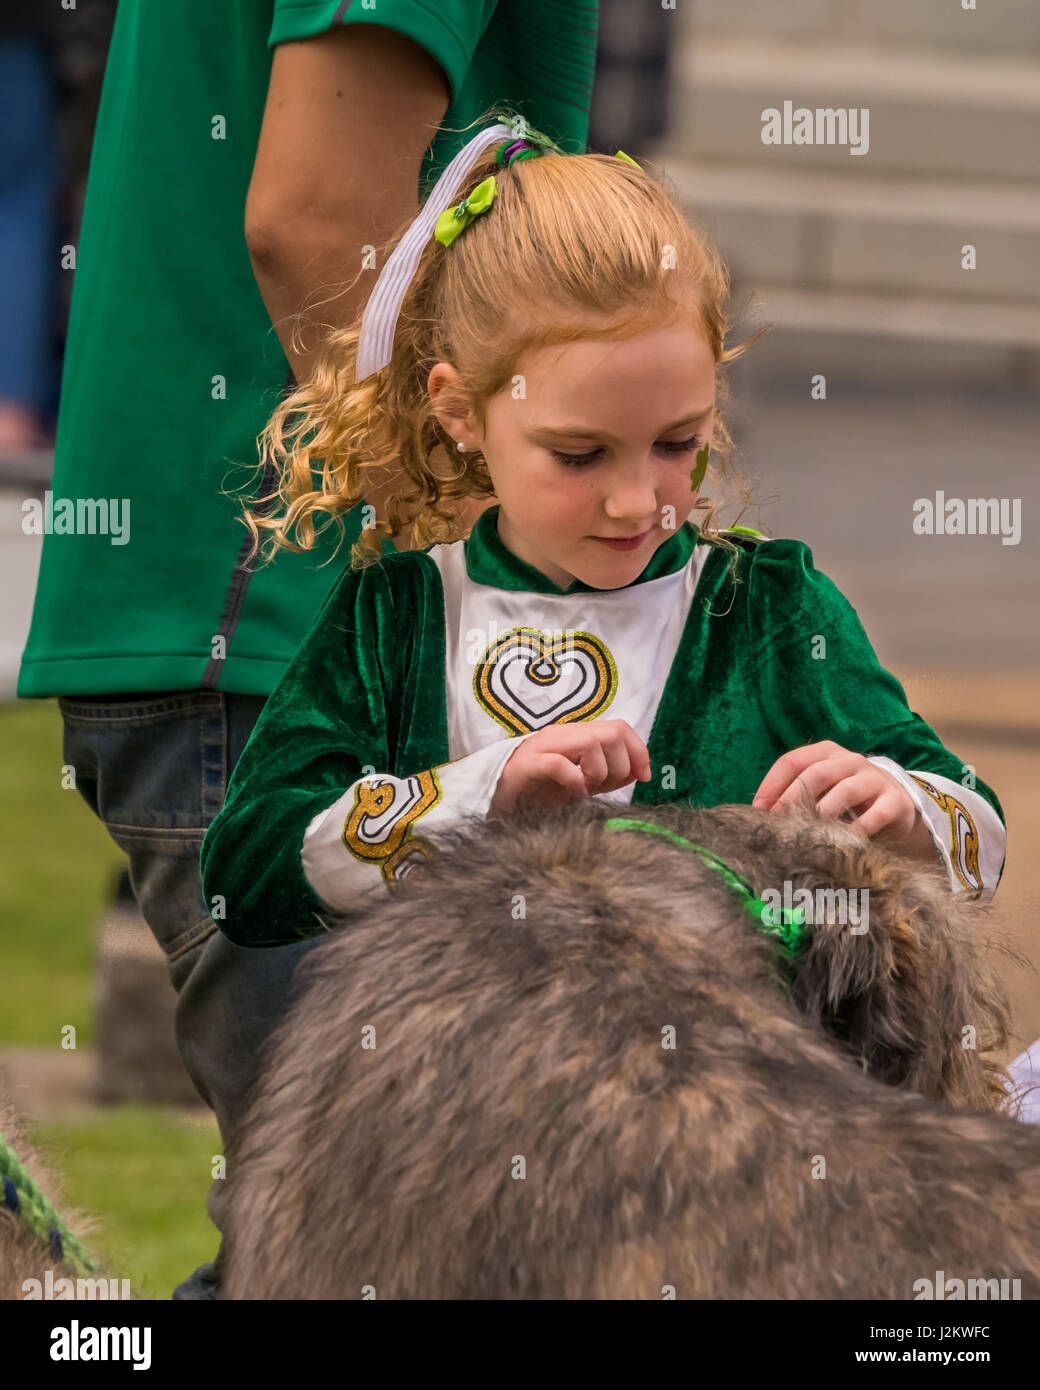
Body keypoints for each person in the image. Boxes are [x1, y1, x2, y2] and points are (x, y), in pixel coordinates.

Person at [17, 4, 599, 1300]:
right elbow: (321, 219)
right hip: (295, 649)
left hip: (265, 635)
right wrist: (512, 612)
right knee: (403, 1257)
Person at [200, 121, 1007, 964]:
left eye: (677, 442)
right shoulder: (397, 616)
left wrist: (902, 807)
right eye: (579, 454)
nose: (636, 503)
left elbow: (979, 839)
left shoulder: (766, 608)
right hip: (447, 1083)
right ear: (461, 411)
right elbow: (246, 875)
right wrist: (481, 793)